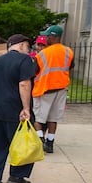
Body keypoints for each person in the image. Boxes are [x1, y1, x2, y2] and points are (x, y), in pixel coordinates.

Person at [0, 34, 36, 183]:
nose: (28, 50)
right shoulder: (24, 60)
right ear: (20, 45)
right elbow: (24, 84)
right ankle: (17, 176)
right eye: (27, 46)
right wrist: (26, 108)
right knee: (22, 143)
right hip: (14, 111)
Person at [32, 25, 74, 153]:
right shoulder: (68, 51)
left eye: (48, 36)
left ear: (53, 37)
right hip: (61, 88)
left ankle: (40, 141)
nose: (46, 38)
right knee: (53, 118)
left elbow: (34, 71)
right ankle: (50, 144)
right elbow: (70, 67)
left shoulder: (43, 54)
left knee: (38, 118)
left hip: (44, 89)